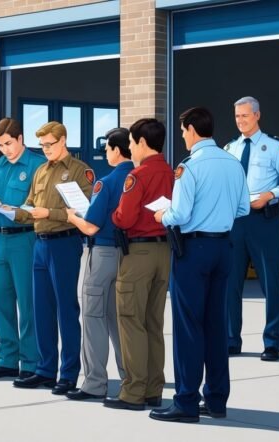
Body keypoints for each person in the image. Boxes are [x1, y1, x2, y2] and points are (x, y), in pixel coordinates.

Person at [150, 107, 250, 423]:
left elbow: (178, 215)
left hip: (194, 250)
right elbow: (244, 208)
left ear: (192, 129)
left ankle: (186, 402)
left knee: (188, 327)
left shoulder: (189, 166)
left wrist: (161, 216)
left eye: (182, 130)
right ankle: (217, 400)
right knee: (216, 325)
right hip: (223, 247)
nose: (181, 135)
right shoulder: (232, 162)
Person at [12, 121, 93, 396]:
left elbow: (82, 212)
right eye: (42, 145)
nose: (45, 150)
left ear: (63, 141)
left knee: (66, 310)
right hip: (40, 245)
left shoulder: (80, 171)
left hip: (64, 244)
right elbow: (32, 204)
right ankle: (46, 370)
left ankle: (68, 373)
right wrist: (12, 211)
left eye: (49, 144)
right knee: (42, 310)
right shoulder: (41, 172)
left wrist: (50, 214)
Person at [225, 96, 279, 362]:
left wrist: (270, 194)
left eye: (245, 116)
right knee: (230, 283)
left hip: (263, 221)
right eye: (237, 116)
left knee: (271, 283)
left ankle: (272, 343)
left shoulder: (275, 147)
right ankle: (231, 339)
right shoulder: (230, 148)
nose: (240, 121)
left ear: (257, 115)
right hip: (235, 222)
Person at [105, 118, 173, 411]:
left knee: (131, 321)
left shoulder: (138, 175)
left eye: (131, 143)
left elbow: (125, 218)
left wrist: (115, 216)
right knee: (153, 323)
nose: (129, 148)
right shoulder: (171, 172)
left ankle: (132, 392)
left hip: (139, 254)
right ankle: (153, 390)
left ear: (142, 143)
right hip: (164, 251)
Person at [64, 128, 133, 401]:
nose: (105, 152)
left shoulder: (106, 182)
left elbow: (91, 226)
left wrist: (72, 217)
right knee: (120, 321)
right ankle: (130, 378)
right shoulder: (136, 178)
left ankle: (94, 383)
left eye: (107, 148)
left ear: (116, 150)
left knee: (93, 318)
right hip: (129, 255)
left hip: (103, 253)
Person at [0, 118, 45, 381]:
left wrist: (15, 212)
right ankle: (7, 359)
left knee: (28, 303)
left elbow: (40, 206)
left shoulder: (37, 166)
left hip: (24, 240)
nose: (4, 149)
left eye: (8, 143)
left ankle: (31, 362)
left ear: (20, 139)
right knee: (1, 302)